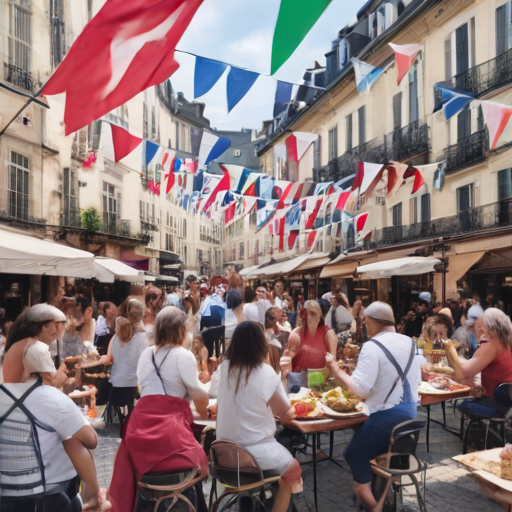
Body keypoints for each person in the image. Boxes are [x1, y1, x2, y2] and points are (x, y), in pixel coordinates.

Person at [326, 301, 421, 512]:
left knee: (353, 454)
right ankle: (378, 492)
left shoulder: (372, 346)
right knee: (369, 444)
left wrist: (335, 369)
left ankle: (372, 502)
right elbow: (413, 379)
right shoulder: (410, 342)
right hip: (410, 416)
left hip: (385, 419)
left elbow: (358, 389)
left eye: (365, 324)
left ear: (370, 322)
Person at [216, 321, 302, 512]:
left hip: (224, 455)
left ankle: (248, 500)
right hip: (253, 455)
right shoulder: (264, 372)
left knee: (259, 477)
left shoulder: (224, 367)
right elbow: (284, 410)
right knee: (293, 470)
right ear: (260, 345)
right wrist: (283, 377)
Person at [0, 373, 104, 510]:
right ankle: (91, 497)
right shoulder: (49, 397)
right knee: (71, 439)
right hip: (49, 497)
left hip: (8, 498)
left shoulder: (6, 395)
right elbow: (91, 440)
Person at [137, 306, 209, 417]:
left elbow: (143, 387)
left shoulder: (146, 353)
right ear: (180, 330)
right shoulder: (184, 356)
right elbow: (199, 400)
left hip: (144, 419)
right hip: (170, 422)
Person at [445, 308, 512, 417]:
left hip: (499, 404)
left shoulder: (491, 346)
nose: (480, 329)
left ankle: (478, 430)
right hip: (506, 401)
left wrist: (449, 348)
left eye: (482, 325)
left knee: (465, 403)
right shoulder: (504, 343)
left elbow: (463, 372)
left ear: (491, 328)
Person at [100, 299, 148, 415]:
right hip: (133, 390)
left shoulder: (115, 338)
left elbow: (109, 358)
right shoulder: (142, 338)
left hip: (115, 388)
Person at [2, 304, 68, 387]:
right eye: (56, 326)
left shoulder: (24, 342)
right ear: (44, 326)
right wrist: (62, 374)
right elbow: (53, 384)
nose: (56, 332)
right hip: (22, 398)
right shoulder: (36, 348)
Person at [283, 300, 337, 374]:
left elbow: (333, 361)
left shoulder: (328, 333)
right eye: (305, 314)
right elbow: (286, 362)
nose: (308, 317)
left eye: (313, 314)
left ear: (320, 316)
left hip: (322, 380)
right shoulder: (295, 334)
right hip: (299, 381)